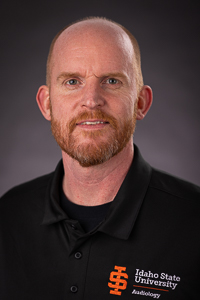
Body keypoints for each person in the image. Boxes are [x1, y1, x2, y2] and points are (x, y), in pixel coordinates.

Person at [0, 17, 199, 300]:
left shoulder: (193, 221)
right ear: (47, 104)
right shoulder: (8, 216)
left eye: (112, 81)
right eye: (72, 81)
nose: (92, 99)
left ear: (140, 102)